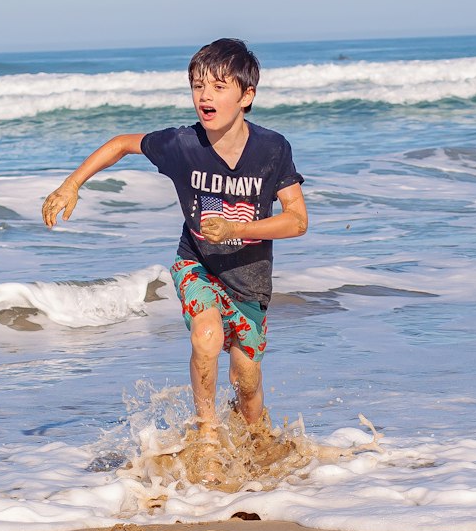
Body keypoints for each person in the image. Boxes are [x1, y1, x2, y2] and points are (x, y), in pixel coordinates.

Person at [41, 38, 308, 449]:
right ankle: (208, 435)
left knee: (247, 383)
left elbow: (297, 221)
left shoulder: (272, 149)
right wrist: (71, 185)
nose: (205, 95)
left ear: (247, 95)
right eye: (197, 85)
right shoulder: (183, 144)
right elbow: (122, 144)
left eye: (219, 87)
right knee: (206, 337)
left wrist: (239, 230)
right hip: (196, 263)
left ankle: (258, 442)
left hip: (249, 280)